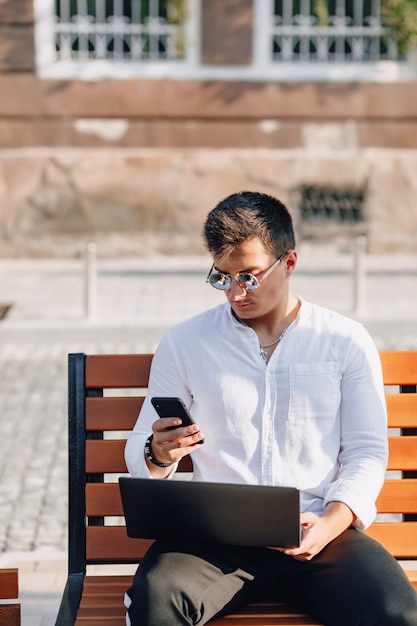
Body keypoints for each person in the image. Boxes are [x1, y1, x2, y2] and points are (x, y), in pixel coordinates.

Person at [124, 191, 417, 625]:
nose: (236, 292)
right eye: (222, 276)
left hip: (319, 530)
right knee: (154, 600)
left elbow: (366, 453)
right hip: (211, 542)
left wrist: (332, 523)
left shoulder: (344, 341)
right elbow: (139, 450)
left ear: (290, 263)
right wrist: (158, 453)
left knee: (397, 613)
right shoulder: (185, 343)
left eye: (250, 276)